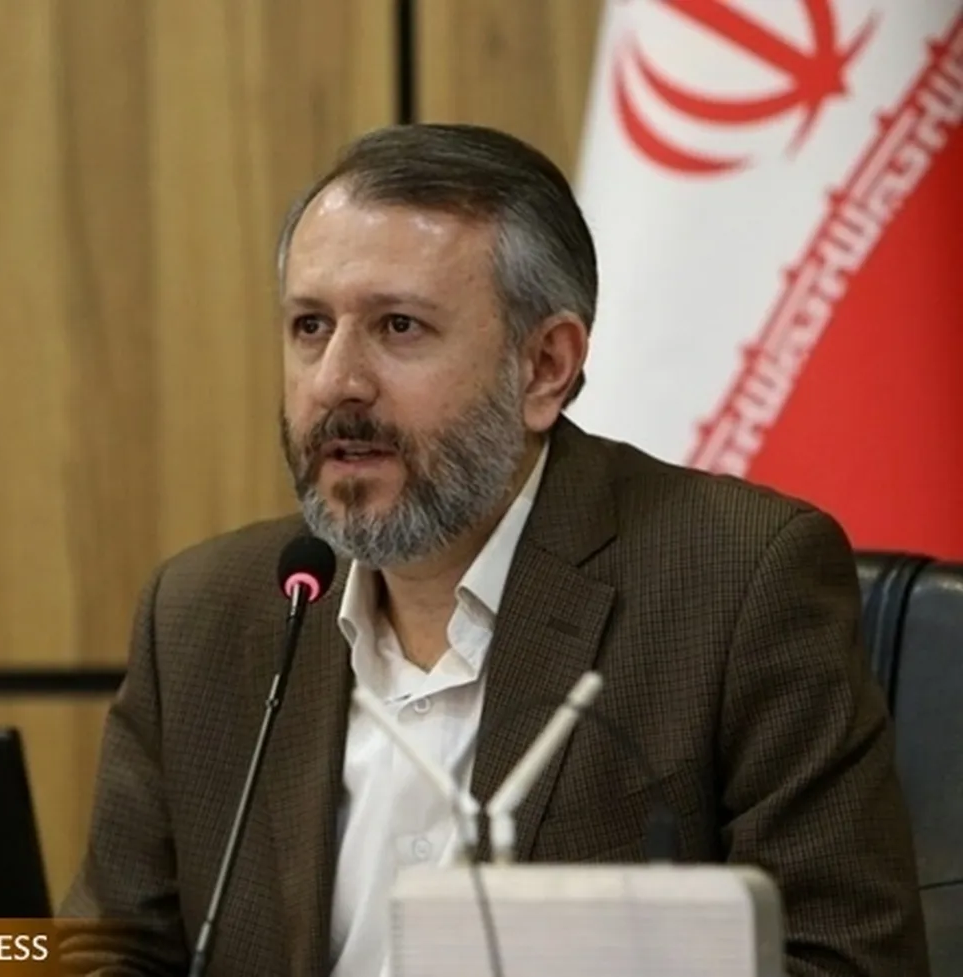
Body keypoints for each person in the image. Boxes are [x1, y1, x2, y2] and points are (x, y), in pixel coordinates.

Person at [56, 123, 929, 977]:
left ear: (545, 366)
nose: (335, 382)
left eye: (399, 326)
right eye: (311, 326)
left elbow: (843, 960)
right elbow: (113, 949)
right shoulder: (206, 614)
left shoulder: (737, 582)